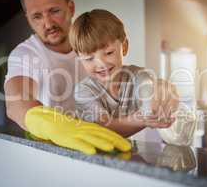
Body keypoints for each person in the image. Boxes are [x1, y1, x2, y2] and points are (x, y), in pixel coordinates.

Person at [70, 9, 179, 137]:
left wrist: (163, 95)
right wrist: (142, 119)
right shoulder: (84, 91)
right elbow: (104, 128)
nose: (101, 64)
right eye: (89, 59)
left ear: (124, 46)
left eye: (109, 53)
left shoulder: (139, 76)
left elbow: (149, 90)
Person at [4, 0, 87, 130]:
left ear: (71, 8)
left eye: (54, 11)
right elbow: (17, 103)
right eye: (37, 16)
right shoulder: (25, 53)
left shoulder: (94, 43)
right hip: (51, 148)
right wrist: (60, 130)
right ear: (28, 20)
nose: (48, 24)